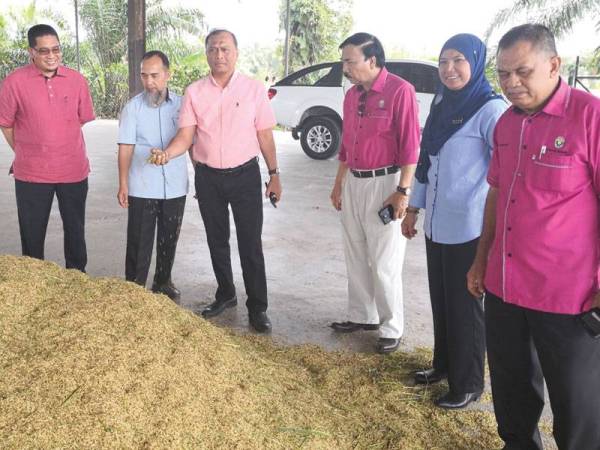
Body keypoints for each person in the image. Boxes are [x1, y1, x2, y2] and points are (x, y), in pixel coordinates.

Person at [467, 24, 600, 449]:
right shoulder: (506, 124)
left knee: (577, 405)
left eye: (522, 71)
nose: (511, 83)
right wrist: (480, 259)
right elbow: (497, 194)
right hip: (506, 286)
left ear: (554, 65)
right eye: (503, 74)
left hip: (569, 295)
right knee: (510, 391)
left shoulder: (589, 116)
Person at [149, 29, 281, 333]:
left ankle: (258, 307)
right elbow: (186, 135)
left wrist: (274, 175)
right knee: (216, 240)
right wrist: (167, 154)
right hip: (208, 178)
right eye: (213, 49)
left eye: (224, 49)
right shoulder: (195, 91)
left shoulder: (252, 89)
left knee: (250, 242)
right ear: (206, 53)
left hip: (246, 175)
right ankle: (225, 294)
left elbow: (264, 134)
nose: (219, 55)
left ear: (236, 53)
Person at [401, 34, 506, 408]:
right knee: (442, 299)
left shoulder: (491, 110)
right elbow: (426, 162)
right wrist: (413, 209)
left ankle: (469, 383)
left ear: (476, 63)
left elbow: (505, 172)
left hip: (471, 227)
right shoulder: (442, 105)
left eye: (459, 60)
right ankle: (443, 365)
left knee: (465, 306)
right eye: (444, 61)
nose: (449, 69)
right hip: (436, 223)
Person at [329, 33, 420, 354]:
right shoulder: (352, 95)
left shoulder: (400, 91)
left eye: (350, 61)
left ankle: (391, 326)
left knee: (384, 259)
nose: (345, 68)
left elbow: (411, 146)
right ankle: (362, 315)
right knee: (354, 250)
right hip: (354, 180)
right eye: (344, 62)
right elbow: (346, 144)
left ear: (372, 60)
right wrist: (339, 183)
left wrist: (402, 191)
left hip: (386, 183)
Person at [0, 24, 95, 272]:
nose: (52, 55)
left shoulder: (77, 81)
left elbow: (80, 119)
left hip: (73, 171)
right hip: (31, 174)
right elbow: (6, 124)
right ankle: (34, 282)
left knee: (75, 231)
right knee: (32, 235)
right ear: (31, 52)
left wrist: (57, 138)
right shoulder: (13, 83)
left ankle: (77, 280)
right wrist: (27, 149)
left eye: (56, 49)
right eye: (44, 51)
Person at [117, 50, 187, 300]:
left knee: (169, 238)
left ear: (167, 75)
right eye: (144, 76)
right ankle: (134, 287)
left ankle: (163, 281)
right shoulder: (132, 108)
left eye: (155, 76)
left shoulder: (182, 106)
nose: (149, 82)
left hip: (175, 185)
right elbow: (125, 147)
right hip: (142, 185)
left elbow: (190, 140)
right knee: (139, 240)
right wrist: (123, 183)